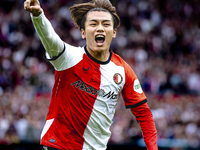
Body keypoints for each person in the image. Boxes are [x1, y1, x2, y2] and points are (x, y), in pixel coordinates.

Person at [24, 0, 158, 149]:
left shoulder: (123, 70)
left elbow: (144, 114)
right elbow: (50, 38)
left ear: (114, 32)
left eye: (106, 24)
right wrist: (38, 15)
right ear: (83, 32)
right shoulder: (69, 58)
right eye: (93, 24)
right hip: (59, 146)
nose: (100, 28)